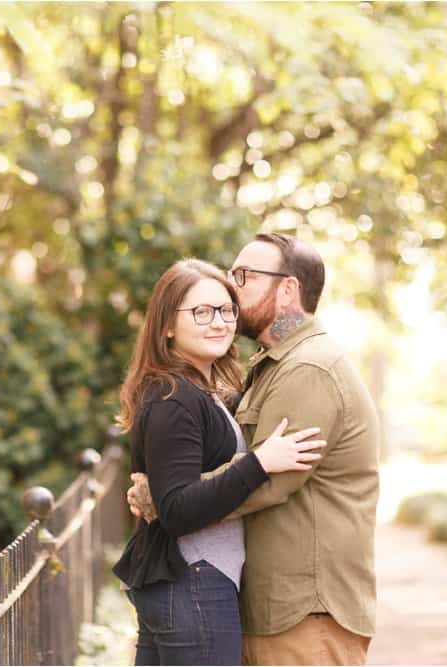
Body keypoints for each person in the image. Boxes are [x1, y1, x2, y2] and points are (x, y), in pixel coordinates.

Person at [127, 233, 380, 666]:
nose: (231, 285)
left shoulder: (308, 368)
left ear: (286, 290)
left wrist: (162, 498)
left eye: (243, 276)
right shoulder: (272, 365)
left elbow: (273, 481)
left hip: (305, 609)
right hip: (274, 607)